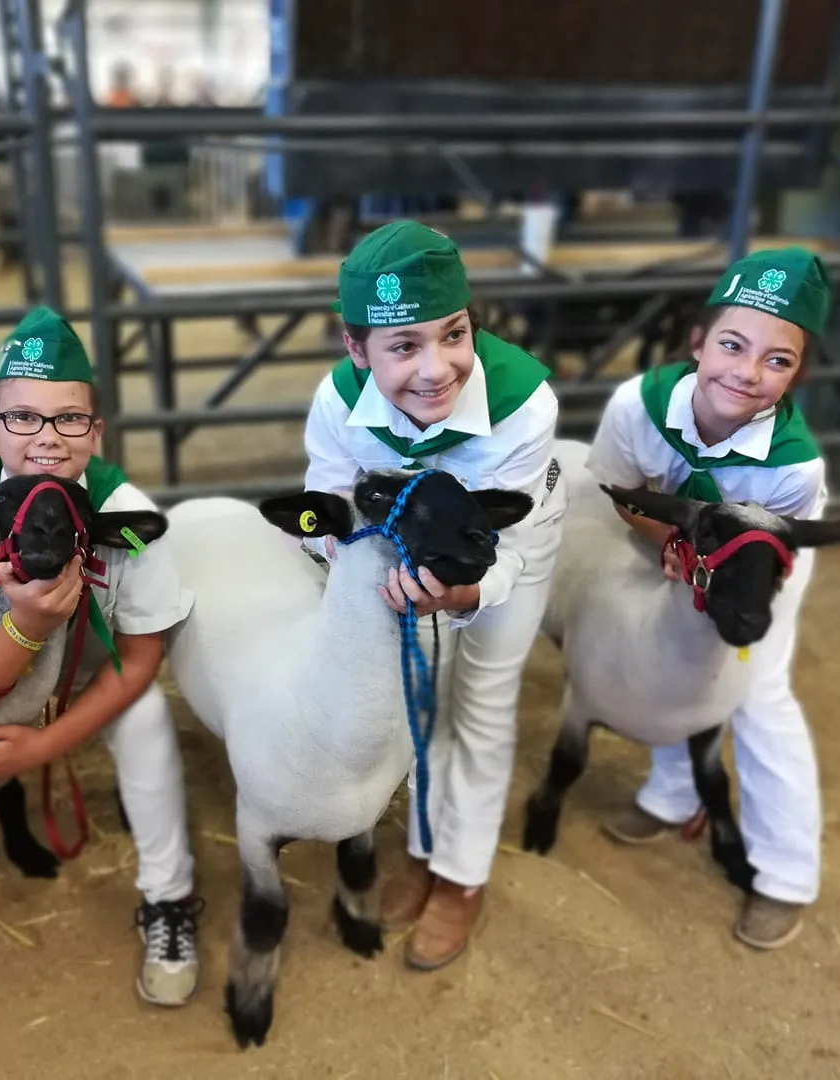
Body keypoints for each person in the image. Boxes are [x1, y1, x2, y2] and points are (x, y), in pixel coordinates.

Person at [0, 306, 203, 1006]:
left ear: (95, 431)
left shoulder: (129, 516)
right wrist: (26, 627)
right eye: (23, 418)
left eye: (69, 419)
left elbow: (141, 659)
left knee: (146, 712)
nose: (48, 439)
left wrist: (42, 748)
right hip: (2, 667)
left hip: (91, 663)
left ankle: (169, 898)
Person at [302, 220, 567, 970]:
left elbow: (505, 538)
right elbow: (325, 495)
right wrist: (343, 552)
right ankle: (422, 849)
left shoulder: (524, 403)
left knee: (478, 702)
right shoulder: (339, 394)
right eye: (403, 346)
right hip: (400, 561)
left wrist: (463, 593)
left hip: (504, 553)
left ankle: (461, 878)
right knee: (421, 705)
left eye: (454, 334)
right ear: (357, 349)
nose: (437, 368)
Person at [585, 246, 834, 951]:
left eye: (777, 361)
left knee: (752, 689)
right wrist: (670, 545)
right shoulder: (639, 404)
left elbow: (765, 552)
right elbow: (621, 490)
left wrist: (702, 563)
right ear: (697, 343)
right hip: (672, 532)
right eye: (732, 344)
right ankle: (674, 793)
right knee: (671, 653)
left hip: (764, 556)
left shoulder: (793, 467)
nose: (748, 372)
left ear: (797, 374)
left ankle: (785, 875)